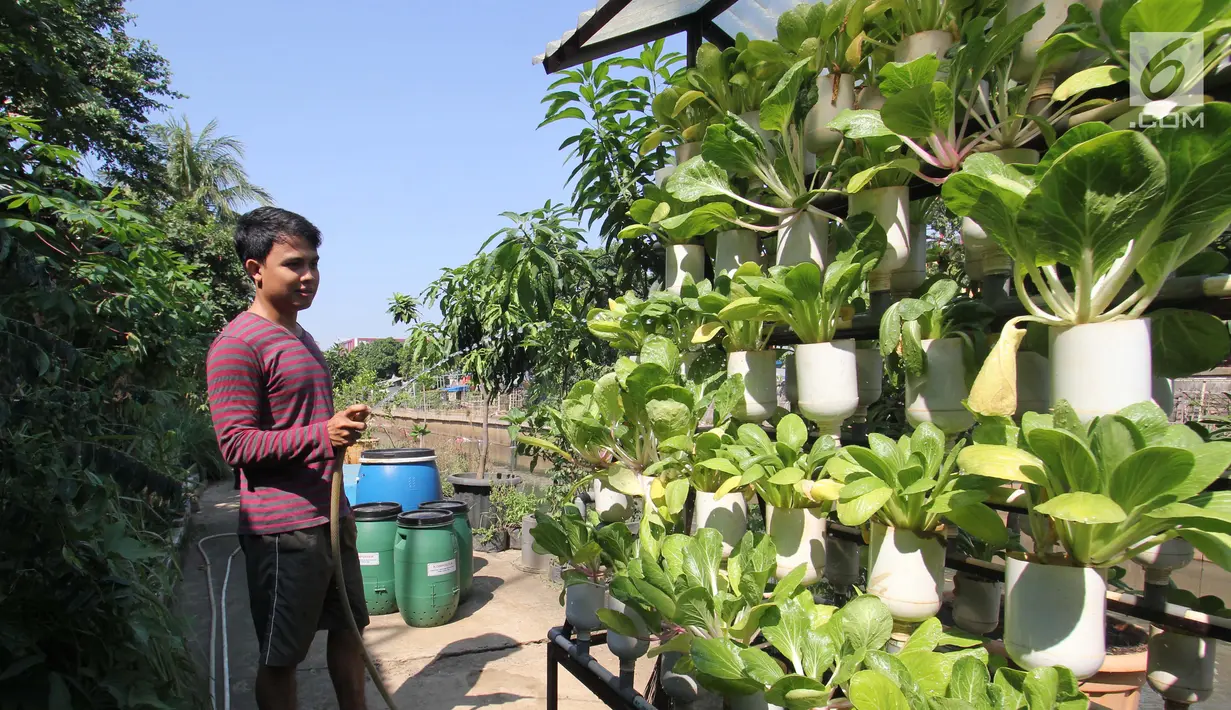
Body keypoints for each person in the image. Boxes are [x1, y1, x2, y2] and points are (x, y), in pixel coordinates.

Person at [204, 207, 371, 710]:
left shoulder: (301, 338)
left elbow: (298, 420)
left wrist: (333, 426)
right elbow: (235, 445)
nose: (309, 277)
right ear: (256, 270)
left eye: (314, 264)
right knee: (283, 657)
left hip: (329, 516)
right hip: (283, 531)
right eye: (294, 265)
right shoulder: (237, 345)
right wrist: (322, 434)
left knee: (350, 632)